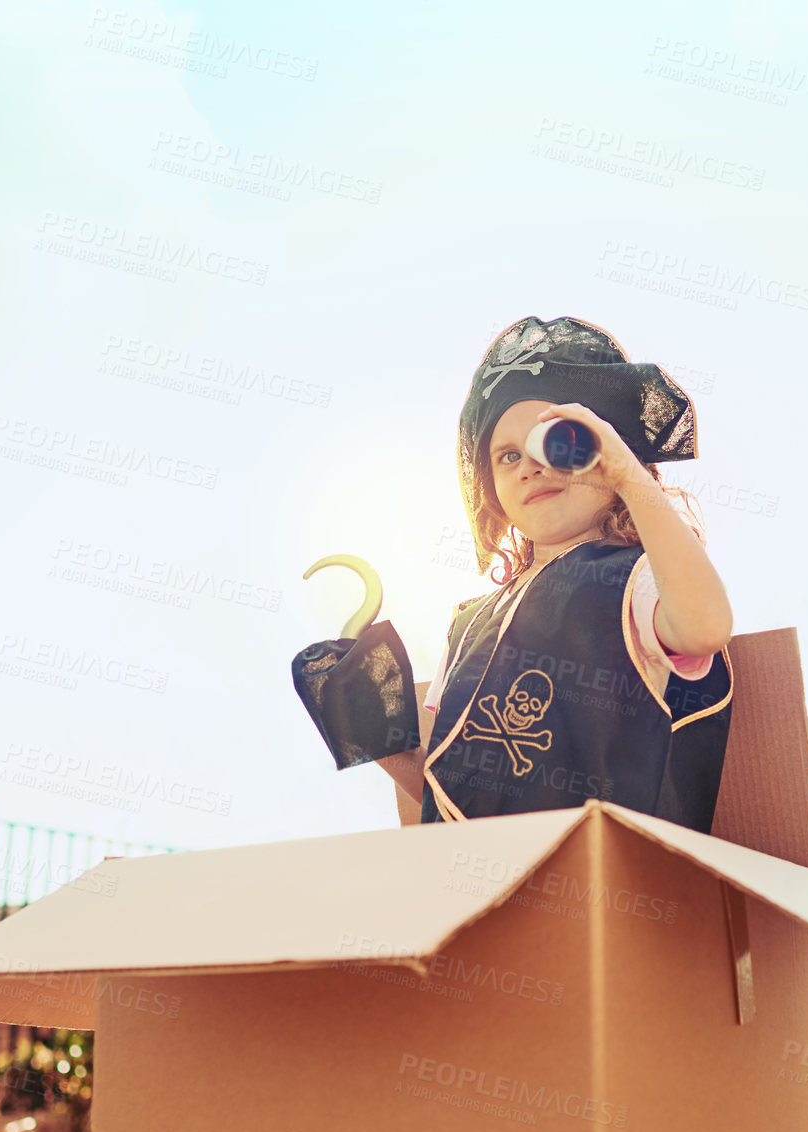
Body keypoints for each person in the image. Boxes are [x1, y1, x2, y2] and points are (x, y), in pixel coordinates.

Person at [291, 315, 735, 833]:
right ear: (493, 491)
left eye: (557, 442)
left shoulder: (633, 582)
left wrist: (629, 476)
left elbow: (705, 625)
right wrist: (368, 721)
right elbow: (442, 787)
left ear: (612, 452)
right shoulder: (470, 627)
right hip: (486, 882)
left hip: (605, 879)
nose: (529, 465)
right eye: (506, 456)